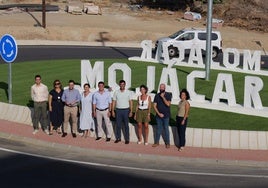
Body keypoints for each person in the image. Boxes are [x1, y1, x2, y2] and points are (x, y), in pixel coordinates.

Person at [112, 80, 133, 144]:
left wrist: (131, 111)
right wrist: (112, 110)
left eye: (123, 84)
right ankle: (118, 138)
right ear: (119, 85)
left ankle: (127, 139)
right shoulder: (116, 92)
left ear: (125, 85)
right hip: (118, 110)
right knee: (118, 125)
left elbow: (130, 102)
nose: (122, 85)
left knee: (126, 125)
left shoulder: (128, 92)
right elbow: (114, 102)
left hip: (126, 110)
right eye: (121, 84)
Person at [152, 83, 172, 148]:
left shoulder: (168, 95)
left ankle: (168, 143)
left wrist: (163, 97)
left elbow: (168, 104)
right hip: (158, 116)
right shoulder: (157, 96)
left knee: (166, 129)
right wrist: (159, 113)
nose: (161, 88)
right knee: (158, 129)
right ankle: (156, 142)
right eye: (160, 87)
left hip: (166, 116)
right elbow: (154, 106)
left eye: (162, 87)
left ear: (164, 88)